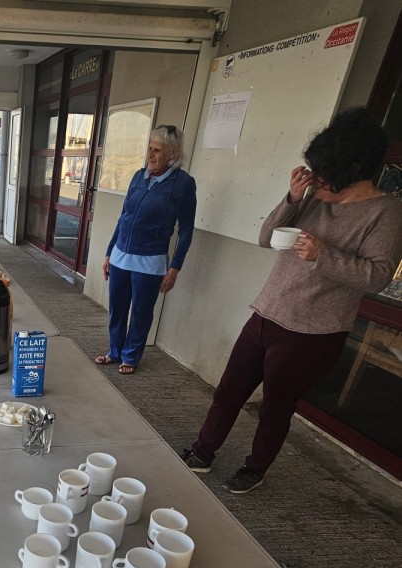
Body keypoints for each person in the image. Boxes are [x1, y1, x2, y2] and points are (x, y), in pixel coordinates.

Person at [182, 107, 402, 494]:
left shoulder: (385, 211)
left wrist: (323, 255)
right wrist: (292, 198)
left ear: (351, 174)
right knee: (228, 391)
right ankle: (203, 450)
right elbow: (266, 237)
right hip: (267, 312)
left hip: (312, 332)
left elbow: (379, 275)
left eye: (322, 176)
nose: (315, 181)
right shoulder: (315, 198)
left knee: (275, 406)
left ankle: (255, 468)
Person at [96, 124, 196, 375]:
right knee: (117, 309)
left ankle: (130, 356)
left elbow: (186, 230)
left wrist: (175, 267)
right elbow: (124, 217)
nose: (150, 154)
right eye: (149, 148)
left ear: (173, 154)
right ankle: (115, 351)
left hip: (150, 261)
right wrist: (109, 252)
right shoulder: (138, 176)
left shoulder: (183, 184)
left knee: (141, 312)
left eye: (157, 150)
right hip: (120, 256)